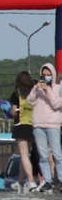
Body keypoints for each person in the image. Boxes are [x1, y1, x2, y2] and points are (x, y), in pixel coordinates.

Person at [28, 63, 62, 192]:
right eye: (44, 75)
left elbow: (56, 104)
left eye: (49, 75)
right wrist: (36, 88)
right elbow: (29, 101)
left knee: (57, 155)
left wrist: (48, 91)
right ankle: (47, 180)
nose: (46, 77)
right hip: (38, 124)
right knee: (42, 155)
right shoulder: (38, 89)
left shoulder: (58, 88)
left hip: (53, 124)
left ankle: (60, 179)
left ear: (53, 75)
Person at [9, 71, 38, 193]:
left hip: (20, 125)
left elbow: (13, 111)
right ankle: (20, 182)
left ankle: (31, 181)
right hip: (32, 124)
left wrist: (10, 110)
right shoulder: (34, 92)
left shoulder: (17, 93)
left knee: (24, 154)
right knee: (25, 155)